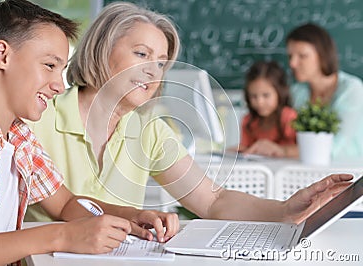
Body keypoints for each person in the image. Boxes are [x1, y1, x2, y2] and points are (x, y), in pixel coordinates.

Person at [26, 1, 352, 231]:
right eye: (141, 54)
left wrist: (283, 209)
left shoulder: (148, 130)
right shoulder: (39, 117)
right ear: (101, 49)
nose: (152, 70)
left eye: (161, 62)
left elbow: (213, 200)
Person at [0, 1, 179, 265]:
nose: (57, 85)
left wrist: (130, 217)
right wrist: (60, 236)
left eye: (62, 70)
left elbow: (64, 203)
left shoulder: (19, 137)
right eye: (49, 66)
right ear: (2, 55)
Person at [286, 22, 363, 160]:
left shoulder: (352, 89)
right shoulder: (297, 92)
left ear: (322, 55)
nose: (292, 64)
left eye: (302, 56)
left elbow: (334, 147)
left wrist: (282, 151)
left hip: (350, 171)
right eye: (290, 56)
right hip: (305, 169)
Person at [236, 61, 298, 158]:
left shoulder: (289, 117)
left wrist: (280, 150)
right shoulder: (248, 121)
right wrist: (241, 150)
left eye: (266, 95)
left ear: (280, 92)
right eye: (253, 96)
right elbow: (247, 150)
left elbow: (303, 150)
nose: (259, 102)